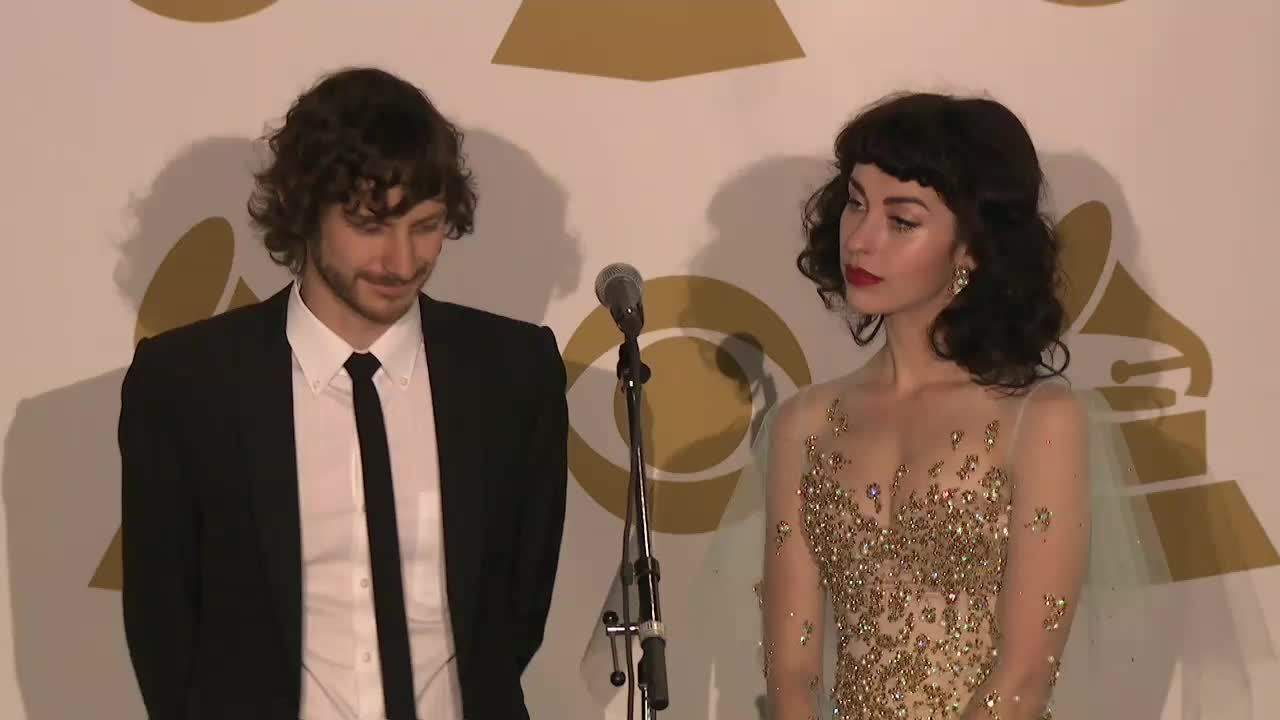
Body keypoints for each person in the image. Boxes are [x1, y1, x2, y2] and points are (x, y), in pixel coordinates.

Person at [693, 91, 1171, 720]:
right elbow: (791, 673)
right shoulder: (802, 424)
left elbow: (1025, 673)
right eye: (856, 204)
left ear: (972, 247)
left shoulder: (1039, 419)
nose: (861, 240)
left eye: (902, 220)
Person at [118, 66, 569, 719]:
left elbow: (516, 613)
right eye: (368, 224)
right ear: (305, 212)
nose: (401, 260)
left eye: (426, 224)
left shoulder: (511, 373)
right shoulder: (189, 384)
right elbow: (164, 629)